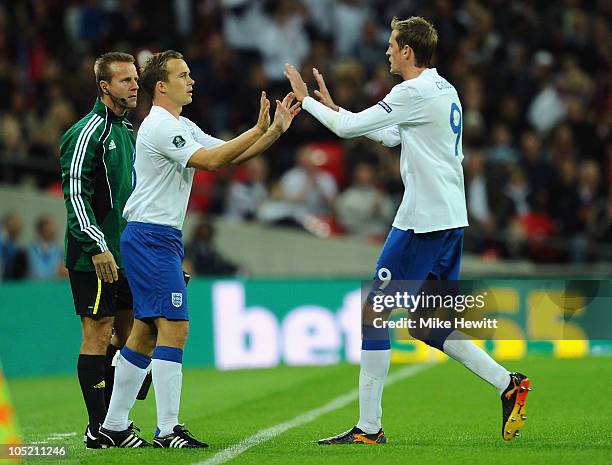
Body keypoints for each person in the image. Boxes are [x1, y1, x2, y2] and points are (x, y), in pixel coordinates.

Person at [284, 16, 531, 444]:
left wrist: (307, 102)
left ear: (407, 52)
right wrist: (339, 109)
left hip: (422, 222)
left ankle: (368, 428)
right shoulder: (442, 88)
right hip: (451, 220)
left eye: (391, 45)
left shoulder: (411, 90)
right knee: (425, 325)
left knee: (374, 313)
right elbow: (394, 135)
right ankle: (508, 383)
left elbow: (349, 130)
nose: (386, 52)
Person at [99, 50, 300, 448]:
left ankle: (115, 424)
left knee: (144, 332)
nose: (191, 81)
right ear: (162, 86)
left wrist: (272, 131)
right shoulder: (158, 125)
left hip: (159, 236)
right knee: (176, 328)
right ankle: (168, 429)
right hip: (150, 235)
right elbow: (210, 161)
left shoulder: (182, 125)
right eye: (183, 75)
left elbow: (230, 154)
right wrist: (258, 128)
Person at [59, 52, 139, 449]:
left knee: (136, 336)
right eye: (125, 80)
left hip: (127, 254)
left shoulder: (126, 131)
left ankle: (115, 422)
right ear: (104, 87)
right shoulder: (89, 131)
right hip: (95, 255)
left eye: (135, 79)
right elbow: (75, 193)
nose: (134, 86)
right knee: (98, 334)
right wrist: (96, 246)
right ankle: (100, 428)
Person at [27, 215, 67, 280]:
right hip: (35, 286)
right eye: (49, 227)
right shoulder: (31, 250)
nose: (52, 229)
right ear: (41, 230)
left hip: (52, 286)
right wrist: (56, 272)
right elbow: (38, 272)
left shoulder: (58, 251)